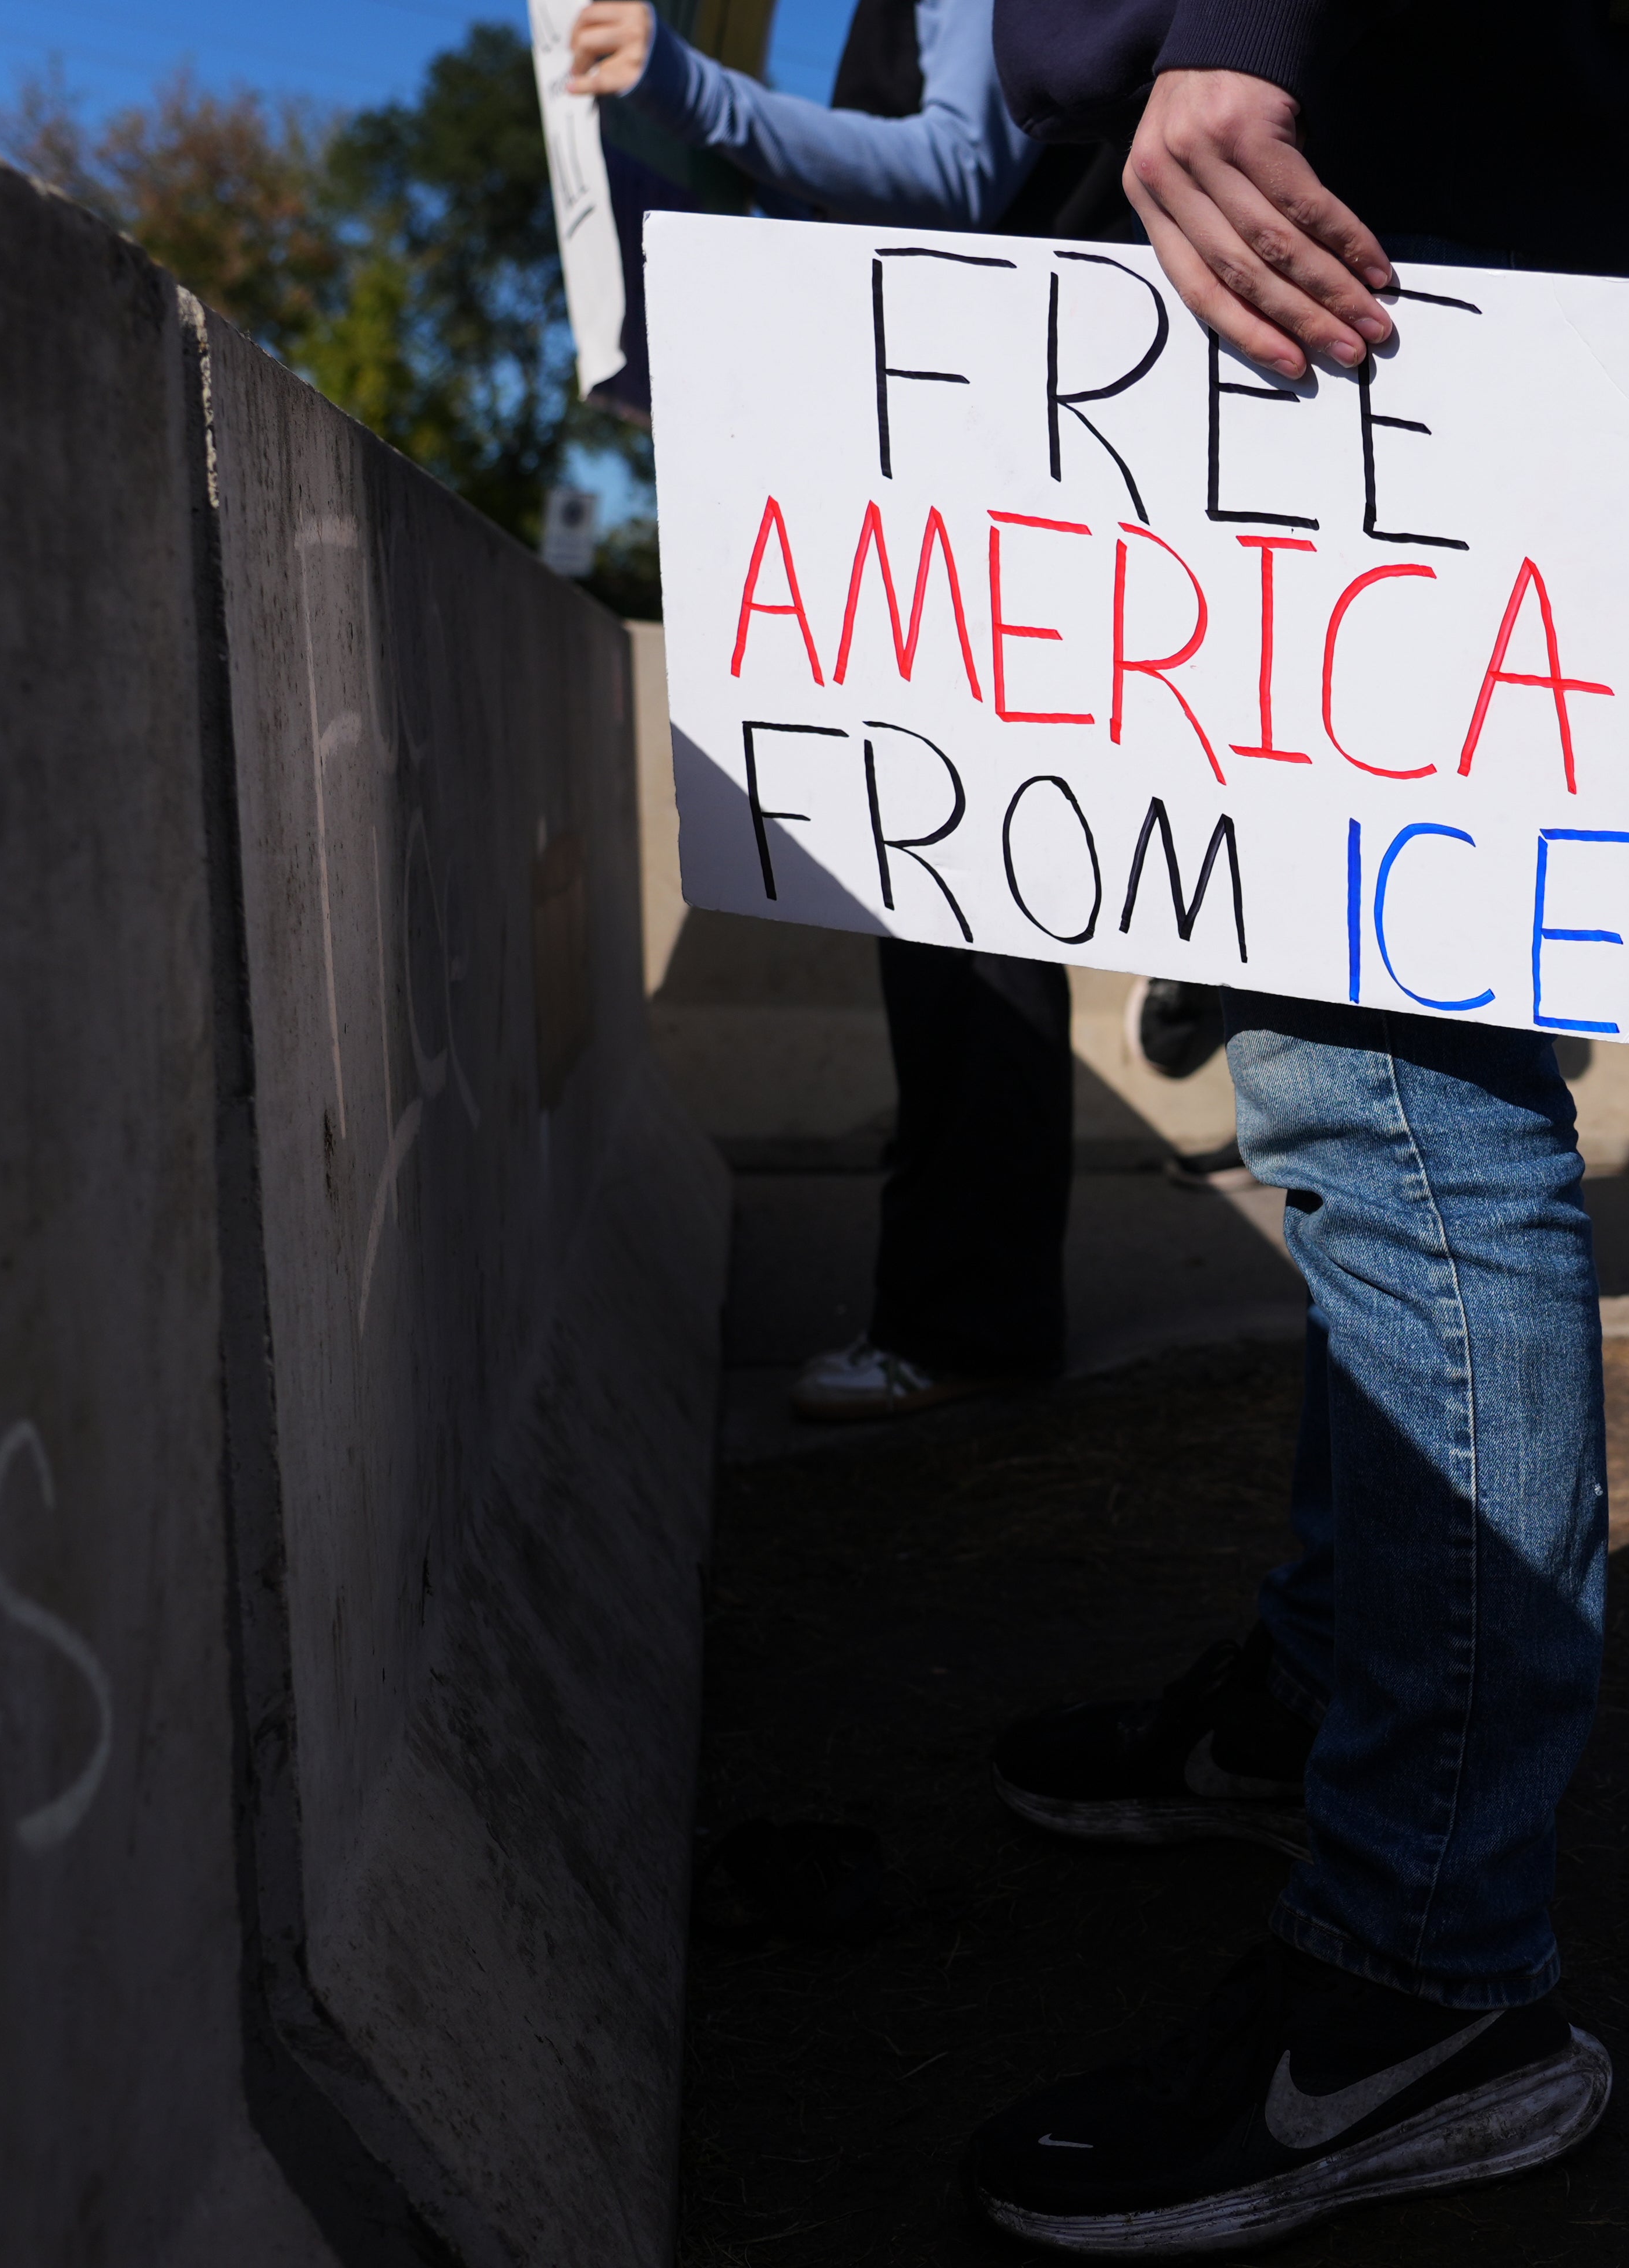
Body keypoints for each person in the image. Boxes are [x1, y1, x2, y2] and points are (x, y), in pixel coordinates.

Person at [954, 2, 1629, 2251]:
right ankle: (1320, 1714)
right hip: (1340, 200)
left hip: (1365, 202)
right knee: (1341, 1092)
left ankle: (1426, 1972)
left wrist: (1239, 20)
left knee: (1389, 1082)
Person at [567, 0, 1111, 1424]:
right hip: (986, 424)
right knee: (962, 905)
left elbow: (953, 177)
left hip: (982, 436)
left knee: (961, 908)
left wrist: (685, 92)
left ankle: (968, 1315)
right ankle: (969, 1283)